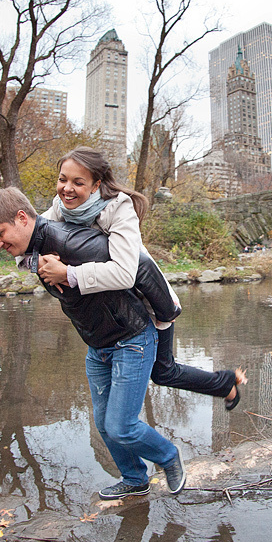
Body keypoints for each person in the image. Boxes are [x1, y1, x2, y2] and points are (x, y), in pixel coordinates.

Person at [0, 187, 185, 500]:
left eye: (0, 233)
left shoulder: (71, 241)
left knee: (122, 426)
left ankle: (168, 456)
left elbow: (139, 267)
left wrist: (166, 317)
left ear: (22, 218)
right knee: (104, 424)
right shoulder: (35, 248)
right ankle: (134, 478)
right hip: (98, 345)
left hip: (132, 338)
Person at [35, 146, 245, 409]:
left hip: (151, 302)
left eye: (78, 182)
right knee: (163, 373)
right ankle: (225, 383)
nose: (67, 188)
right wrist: (44, 261)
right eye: (62, 179)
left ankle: (225, 385)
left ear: (95, 185)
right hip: (118, 311)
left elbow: (126, 272)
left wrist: (68, 273)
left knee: (164, 372)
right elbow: (30, 237)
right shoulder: (58, 210)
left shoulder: (117, 209)